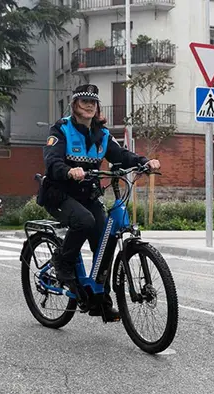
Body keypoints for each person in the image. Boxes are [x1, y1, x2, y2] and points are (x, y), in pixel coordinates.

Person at [38, 84, 161, 322]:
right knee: (84, 221)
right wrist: (68, 170)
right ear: (74, 106)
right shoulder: (61, 129)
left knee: (104, 242)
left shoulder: (102, 135)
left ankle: (99, 302)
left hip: (88, 194)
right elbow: (52, 161)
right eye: (84, 101)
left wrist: (144, 161)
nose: (89, 105)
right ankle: (62, 261)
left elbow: (121, 155)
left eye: (93, 102)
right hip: (60, 194)